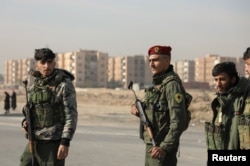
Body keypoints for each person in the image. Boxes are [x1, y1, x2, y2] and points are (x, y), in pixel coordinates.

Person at [131, 45, 190, 166]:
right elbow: (156, 115)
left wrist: (164, 147)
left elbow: (178, 122)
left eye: (156, 60)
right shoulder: (158, 85)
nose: (151, 64)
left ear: (167, 61)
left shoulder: (172, 86)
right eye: (150, 61)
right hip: (152, 146)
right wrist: (138, 111)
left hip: (162, 149)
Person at [20, 48, 78, 166]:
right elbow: (32, 109)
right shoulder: (36, 84)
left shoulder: (63, 84)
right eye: (43, 63)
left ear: (54, 63)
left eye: (50, 62)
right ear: (37, 65)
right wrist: (25, 122)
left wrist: (65, 142)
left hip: (53, 142)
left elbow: (71, 115)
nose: (47, 66)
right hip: (34, 140)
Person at [205, 62, 250, 150]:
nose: (218, 84)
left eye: (222, 79)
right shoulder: (220, 101)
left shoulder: (245, 97)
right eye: (216, 80)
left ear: (232, 79)